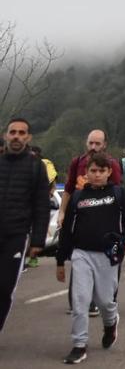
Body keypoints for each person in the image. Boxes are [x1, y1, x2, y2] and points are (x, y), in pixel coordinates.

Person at [56, 151, 125, 364]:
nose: (97, 174)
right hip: (81, 254)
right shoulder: (78, 197)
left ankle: (110, 323)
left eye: (102, 171)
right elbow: (67, 232)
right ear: (86, 173)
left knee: (104, 301)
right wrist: (60, 261)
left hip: (108, 255)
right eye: (93, 170)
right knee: (80, 300)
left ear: (109, 172)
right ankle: (79, 345)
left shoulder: (118, 194)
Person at [0, 117, 51, 334]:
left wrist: (38, 240)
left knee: (4, 288)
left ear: (28, 137)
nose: (17, 136)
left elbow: (41, 205)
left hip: (16, 236)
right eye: (13, 132)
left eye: (22, 133)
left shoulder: (36, 167)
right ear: (5, 136)